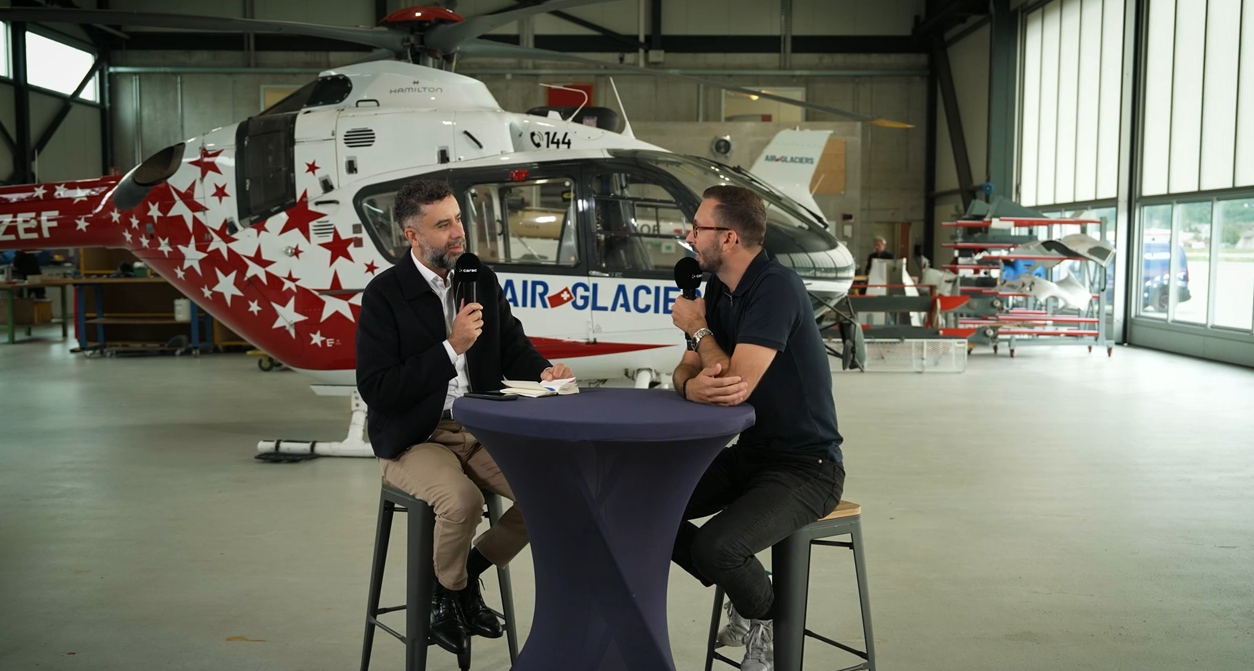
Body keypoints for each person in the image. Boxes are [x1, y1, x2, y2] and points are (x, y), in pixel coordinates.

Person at [355, 179, 572, 656]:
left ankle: (459, 580)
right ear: (412, 235)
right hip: (414, 438)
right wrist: (451, 347)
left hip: (480, 428)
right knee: (462, 502)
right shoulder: (385, 295)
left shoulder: (479, 279)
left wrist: (544, 371)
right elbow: (378, 389)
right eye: (443, 225)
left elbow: (512, 346)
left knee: (555, 493)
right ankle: (448, 599)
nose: (458, 232)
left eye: (458, 219)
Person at [669, 185, 845, 671]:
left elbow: (735, 386)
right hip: (752, 454)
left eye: (698, 227)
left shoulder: (776, 287)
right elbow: (686, 372)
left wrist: (698, 330)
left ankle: (764, 617)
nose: (690, 237)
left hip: (807, 466)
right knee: (643, 505)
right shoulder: (715, 291)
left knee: (716, 547)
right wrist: (691, 387)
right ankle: (746, 588)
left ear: (728, 238)